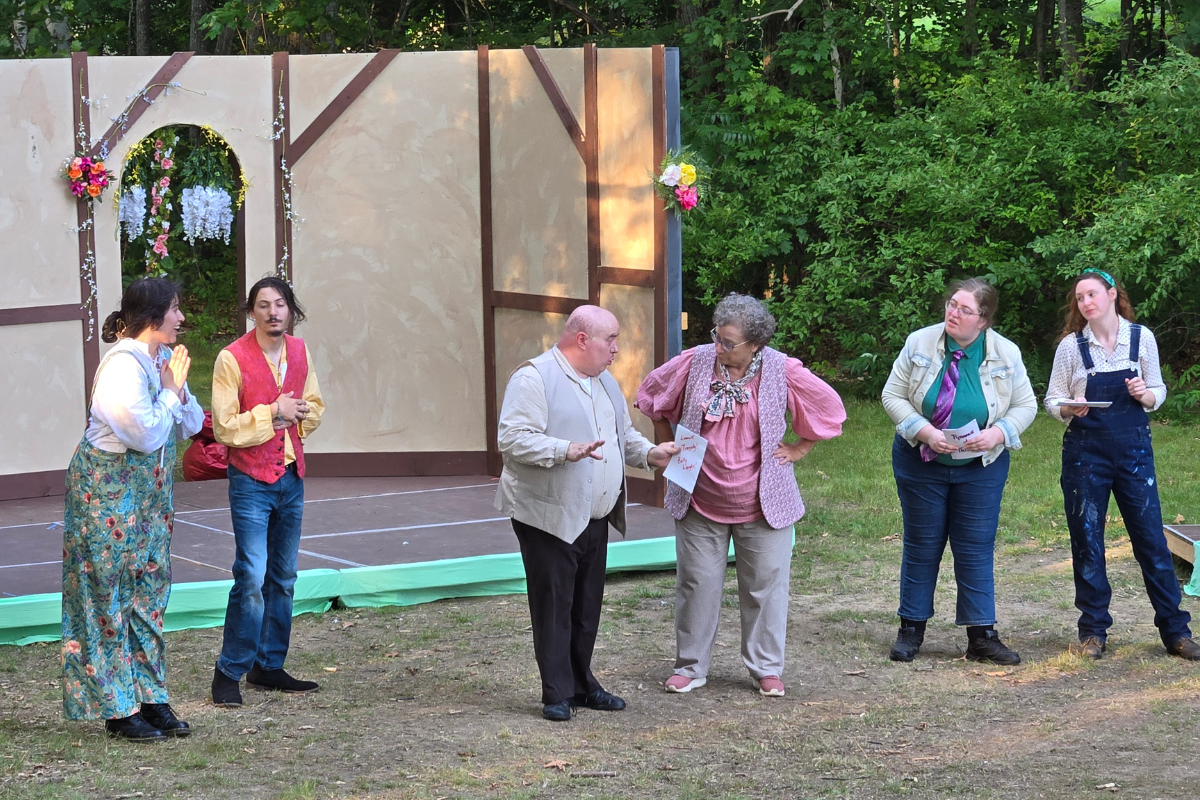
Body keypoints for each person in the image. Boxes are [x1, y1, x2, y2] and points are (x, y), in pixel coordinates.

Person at [636, 293, 845, 697]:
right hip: (700, 497)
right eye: (717, 336)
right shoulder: (696, 361)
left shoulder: (782, 369)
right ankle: (690, 666)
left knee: (765, 585)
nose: (719, 346)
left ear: (755, 345)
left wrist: (799, 448)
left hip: (762, 501)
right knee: (696, 583)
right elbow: (653, 398)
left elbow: (829, 408)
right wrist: (670, 455)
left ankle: (766, 668)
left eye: (729, 343)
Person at [495, 305, 680, 721]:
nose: (616, 349)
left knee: (586, 606)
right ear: (582, 340)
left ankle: (582, 684)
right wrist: (565, 449)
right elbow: (512, 440)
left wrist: (651, 454)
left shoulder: (605, 381)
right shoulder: (533, 377)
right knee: (554, 605)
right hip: (548, 514)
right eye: (610, 339)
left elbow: (622, 435)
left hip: (596, 514)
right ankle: (556, 693)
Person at [61, 277, 203, 741]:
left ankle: (150, 697)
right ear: (153, 315)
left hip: (148, 496)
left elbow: (194, 422)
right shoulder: (121, 367)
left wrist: (176, 390)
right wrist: (168, 393)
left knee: (148, 592)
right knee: (108, 596)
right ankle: (118, 709)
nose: (181, 318)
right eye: (176, 309)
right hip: (106, 493)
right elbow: (142, 435)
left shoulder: (160, 360)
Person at [1046, 268, 1199, 661]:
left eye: (1092, 294)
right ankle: (1093, 631)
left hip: (1133, 452)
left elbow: (1158, 390)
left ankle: (1176, 632)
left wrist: (1144, 393)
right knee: (1088, 541)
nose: (1085, 303)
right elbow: (1052, 400)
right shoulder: (1070, 347)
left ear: (1112, 294)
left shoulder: (1140, 338)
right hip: (1084, 454)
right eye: (1079, 298)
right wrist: (1069, 407)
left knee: (1151, 541)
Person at [881, 278, 1036, 665]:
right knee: (921, 544)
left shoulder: (1006, 353)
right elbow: (892, 395)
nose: (954, 313)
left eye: (965, 310)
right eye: (952, 305)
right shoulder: (919, 343)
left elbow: (1026, 405)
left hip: (981, 467)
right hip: (921, 461)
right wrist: (926, 432)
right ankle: (910, 630)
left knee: (975, 548)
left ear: (983, 320)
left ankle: (982, 635)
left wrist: (999, 433)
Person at [210, 276, 325, 707]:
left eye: (279, 304)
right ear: (251, 311)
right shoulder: (231, 358)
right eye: (263, 305)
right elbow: (225, 426)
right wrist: (272, 413)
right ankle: (229, 670)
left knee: (284, 577)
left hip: (291, 477)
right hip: (251, 482)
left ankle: (269, 665)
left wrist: (294, 417)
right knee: (252, 576)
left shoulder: (299, 350)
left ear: (290, 309)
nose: (273, 312)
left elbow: (313, 406)